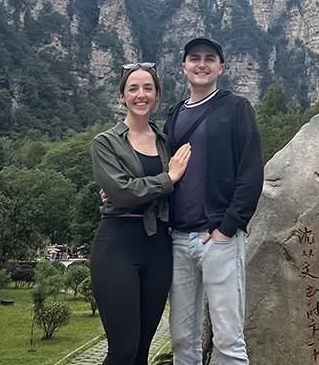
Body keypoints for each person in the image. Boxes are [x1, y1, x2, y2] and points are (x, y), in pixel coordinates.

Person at [164, 37, 264, 365]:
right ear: (184, 67)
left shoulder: (237, 108)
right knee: (182, 338)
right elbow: (159, 169)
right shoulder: (174, 115)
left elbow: (251, 173)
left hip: (218, 237)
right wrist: (117, 187)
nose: (201, 64)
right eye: (194, 58)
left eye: (210, 58)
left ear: (221, 67)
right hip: (178, 239)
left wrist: (227, 228)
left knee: (228, 339)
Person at [90, 63, 192, 365]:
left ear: (157, 94)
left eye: (148, 88)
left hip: (159, 247)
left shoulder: (166, 142)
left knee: (141, 353)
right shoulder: (105, 143)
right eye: (133, 88)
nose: (141, 94)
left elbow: (132, 189)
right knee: (122, 350)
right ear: (122, 96)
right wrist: (167, 179)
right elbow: (121, 193)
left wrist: (135, 187)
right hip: (116, 245)